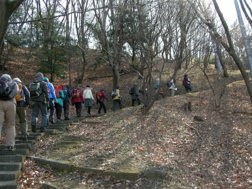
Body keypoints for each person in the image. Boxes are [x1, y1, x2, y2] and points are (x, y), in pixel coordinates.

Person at [0, 74, 18, 151]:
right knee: (10, 125)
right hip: (11, 103)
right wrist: (9, 97)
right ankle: (10, 145)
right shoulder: (13, 83)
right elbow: (16, 91)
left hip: (0, 103)